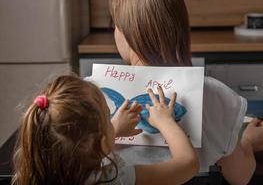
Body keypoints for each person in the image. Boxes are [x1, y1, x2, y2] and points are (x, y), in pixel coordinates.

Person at [109, 0, 263, 184]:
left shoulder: (88, 96)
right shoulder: (215, 94)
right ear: (180, 30)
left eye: (115, 24)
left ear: (125, 33)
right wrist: (247, 143)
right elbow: (240, 176)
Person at [12, 75, 199, 185]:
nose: (113, 121)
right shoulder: (113, 179)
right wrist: (166, 122)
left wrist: (111, 131)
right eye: (108, 119)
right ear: (102, 144)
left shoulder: (27, 176)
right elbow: (187, 164)